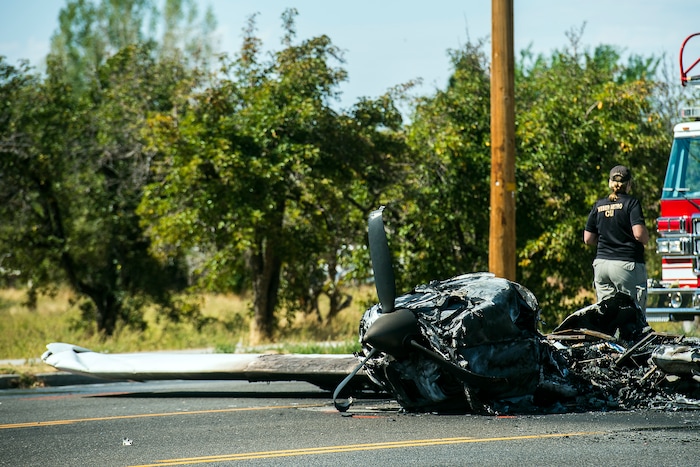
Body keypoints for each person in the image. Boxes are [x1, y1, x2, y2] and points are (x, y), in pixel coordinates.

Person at [583, 165, 649, 311]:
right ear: (629, 184)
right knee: (631, 313)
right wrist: (647, 238)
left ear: (609, 182)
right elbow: (639, 234)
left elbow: (588, 239)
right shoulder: (631, 203)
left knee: (607, 314)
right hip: (626, 265)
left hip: (602, 265)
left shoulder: (598, 205)